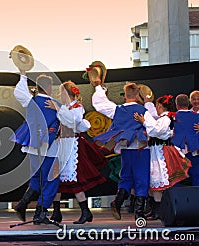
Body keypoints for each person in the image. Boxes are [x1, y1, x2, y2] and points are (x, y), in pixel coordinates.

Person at [45, 81, 107, 224]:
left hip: (73, 147)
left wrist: (58, 109)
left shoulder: (77, 108)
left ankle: (86, 212)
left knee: (76, 179)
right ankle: (56, 212)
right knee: (56, 180)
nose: (60, 96)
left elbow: (74, 120)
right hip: (61, 145)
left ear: (67, 94)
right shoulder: (64, 107)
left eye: (61, 93)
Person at [92, 79, 150, 220]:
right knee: (142, 178)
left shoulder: (117, 109)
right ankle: (139, 214)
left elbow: (100, 104)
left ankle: (117, 202)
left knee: (126, 177)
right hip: (141, 149)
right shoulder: (143, 111)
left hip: (125, 149)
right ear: (137, 96)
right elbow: (153, 127)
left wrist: (99, 87)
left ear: (125, 95)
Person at [11, 69, 61, 225]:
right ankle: (40, 212)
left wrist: (23, 75)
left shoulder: (30, 100)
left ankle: (23, 204)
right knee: (51, 180)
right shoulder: (55, 104)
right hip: (50, 148)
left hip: (33, 145)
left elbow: (19, 92)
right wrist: (59, 109)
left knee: (37, 177)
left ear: (37, 87)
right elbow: (71, 120)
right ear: (50, 88)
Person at [135, 95, 191, 220]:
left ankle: (159, 211)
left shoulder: (166, 118)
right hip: (158, 150)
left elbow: (155, 130)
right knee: (155, 181)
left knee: (157, 180)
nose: (156, 107)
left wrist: (144, 121)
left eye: (156, 105)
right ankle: (156, 209)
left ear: (160, 106)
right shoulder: (165, 118)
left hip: (161, 152)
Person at [172, 93, 199, 186]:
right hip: (194, 150)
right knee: (196, 175)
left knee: (176, 176)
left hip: (178, 152)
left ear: (177, 105)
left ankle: (178, 199)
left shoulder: (172, 117)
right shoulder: (197, 116)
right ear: (188, 104)